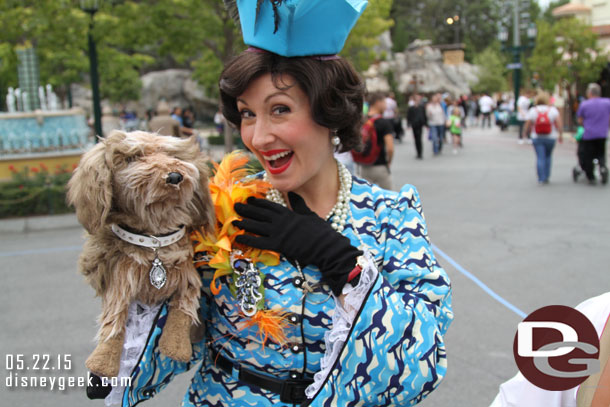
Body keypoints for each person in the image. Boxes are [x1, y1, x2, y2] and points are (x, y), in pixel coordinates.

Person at [112, 1, 453, 406]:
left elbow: (421, 363)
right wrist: (148, 251)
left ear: (329, 110)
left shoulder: (391, 217)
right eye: (247, 114)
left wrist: (343, 264)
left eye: (279, 110)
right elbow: (171, 340)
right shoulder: (220, 209)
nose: (257, 137)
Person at [357, 92, 395, 190]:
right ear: (378, 103)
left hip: (364, 166)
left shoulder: (362, 120)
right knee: (389, 199)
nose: (386, 105)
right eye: (384, 102)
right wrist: (389, 161)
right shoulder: (384, 122)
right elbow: (390, 148)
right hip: (380, 166)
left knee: (366, 199)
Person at [523, 92, 563, 184]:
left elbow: (528, 124)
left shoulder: (533, 110)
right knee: (548, 156)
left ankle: (541, 177)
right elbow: (559, 123)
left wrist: (525, 133)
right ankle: (547, 176)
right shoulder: (553, 110)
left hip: (537, 137)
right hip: (551, 137)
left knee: (540, 157)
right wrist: (560, 134)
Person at [575, 83, 610, 184]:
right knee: (601, 153)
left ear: (589, 93)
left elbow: (580, 120)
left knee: (588, 155)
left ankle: (590, 175)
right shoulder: (607, 103)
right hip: (602, 134)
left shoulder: (585, 104)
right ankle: (602, 167)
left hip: (589, 135)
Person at [407, 93, 427, 159]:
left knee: (419, 138)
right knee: (416, 139)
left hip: (420, 124)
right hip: (414, 124)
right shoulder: (411, 108)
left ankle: (420, 153)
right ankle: (418, 152)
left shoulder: (422, 107)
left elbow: (424, 116)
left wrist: (426, 124)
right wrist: (408, 124)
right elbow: (409, 116)